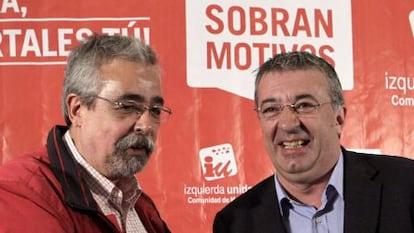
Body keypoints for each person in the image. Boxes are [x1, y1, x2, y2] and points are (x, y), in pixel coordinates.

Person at [213, 51, 414, 233]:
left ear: (338, 119)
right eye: (271, 109)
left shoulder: (406, 186)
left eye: (304, 105)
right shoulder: (234, 223)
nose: (287, 124)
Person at [0, 34, 172, 233]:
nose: (146, 124)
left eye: (156, 110)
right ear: (77, 109)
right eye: (127, 106)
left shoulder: (139, 205)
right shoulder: (21, 194)